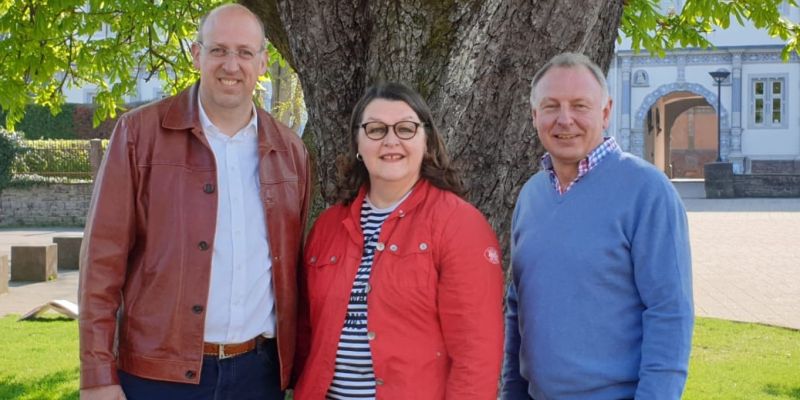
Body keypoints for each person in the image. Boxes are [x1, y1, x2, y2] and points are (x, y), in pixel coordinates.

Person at [78, 4, 311, 399]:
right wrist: (98, 375)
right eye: (219, 50)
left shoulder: (289, 150)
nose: (231, 65)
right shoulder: (139, 135)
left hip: (258, 376)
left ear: (263, 62)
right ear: (196, 54)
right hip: (157, 376)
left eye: (244, 52)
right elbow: (102, 262)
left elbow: (294, 272)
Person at [293, 82, 504, 399]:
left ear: (426, 140)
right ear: (357, 143)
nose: (391, 141)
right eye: (376, 130)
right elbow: (306, 333)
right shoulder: (328, 226)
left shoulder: (459, 225)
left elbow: (476, 354)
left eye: (405, 129)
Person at [501, 52, 694, 400]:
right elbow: (518, 308)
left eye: (579, 105)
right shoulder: (531, 196)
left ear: (605, 113)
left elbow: (669, 313)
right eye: (551, 106)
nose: (565, 119)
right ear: (534, 116)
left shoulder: (647, 191)